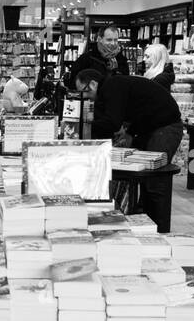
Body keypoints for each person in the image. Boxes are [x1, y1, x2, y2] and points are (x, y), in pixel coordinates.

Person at [73, 66, 183, 229]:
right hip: (151, 127)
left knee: (154, 182)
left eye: (84, 91)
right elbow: (140, 109)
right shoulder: (112, 87)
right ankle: (146, 225)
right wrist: (129, 133)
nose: (85, 97)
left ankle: (159, 229)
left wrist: (82, 127)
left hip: (165, 127)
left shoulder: (112, 87)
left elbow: (112, 122)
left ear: (94, 84)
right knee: (145, 180)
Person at [64, 24, 127, 92]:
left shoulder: (121, 59)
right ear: (100, 39)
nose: (113, 43)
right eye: (109, 40)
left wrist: (115, 72)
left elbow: (126, 83)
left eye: (115, 40)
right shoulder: (87, 58)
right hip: (91, 97)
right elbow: (73, 82)